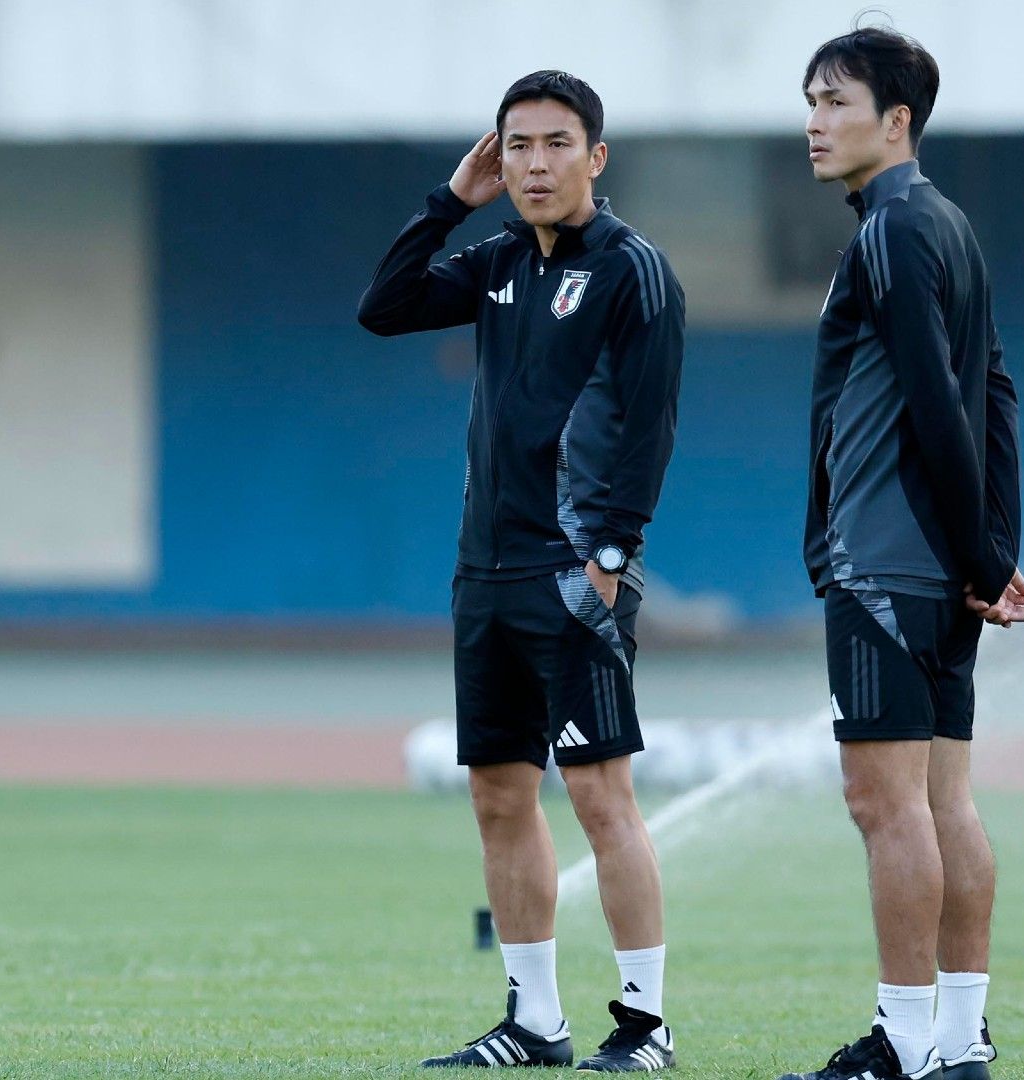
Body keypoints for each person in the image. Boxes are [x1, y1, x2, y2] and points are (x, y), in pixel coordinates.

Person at [358, 69, 686, 1072]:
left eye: (555, 144)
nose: (534, 164)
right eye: (517, 146)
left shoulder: (634, 271)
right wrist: (450, 202)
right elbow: (384, 307)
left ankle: (645, 1026)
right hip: (486, 572)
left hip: (576, 575)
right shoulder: (499, 259)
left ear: (596, 156)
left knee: (600, 798)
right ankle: (535, 1023)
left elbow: (650, 427)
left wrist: (612, 557)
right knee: (501, 798)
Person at [786, 26, 1024, 1080]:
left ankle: (902, 1041)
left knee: (883, 804)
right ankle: (960, 1037)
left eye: (835, 102)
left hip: (885, 563)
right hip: (936, 566)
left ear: (896, 121)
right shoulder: (948, 225)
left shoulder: (891, 231)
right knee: (944, 803)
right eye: (810, 101)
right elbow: (996, 392)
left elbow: (942, 402)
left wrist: (980, 555)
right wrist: (992, 548)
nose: (814, 122)